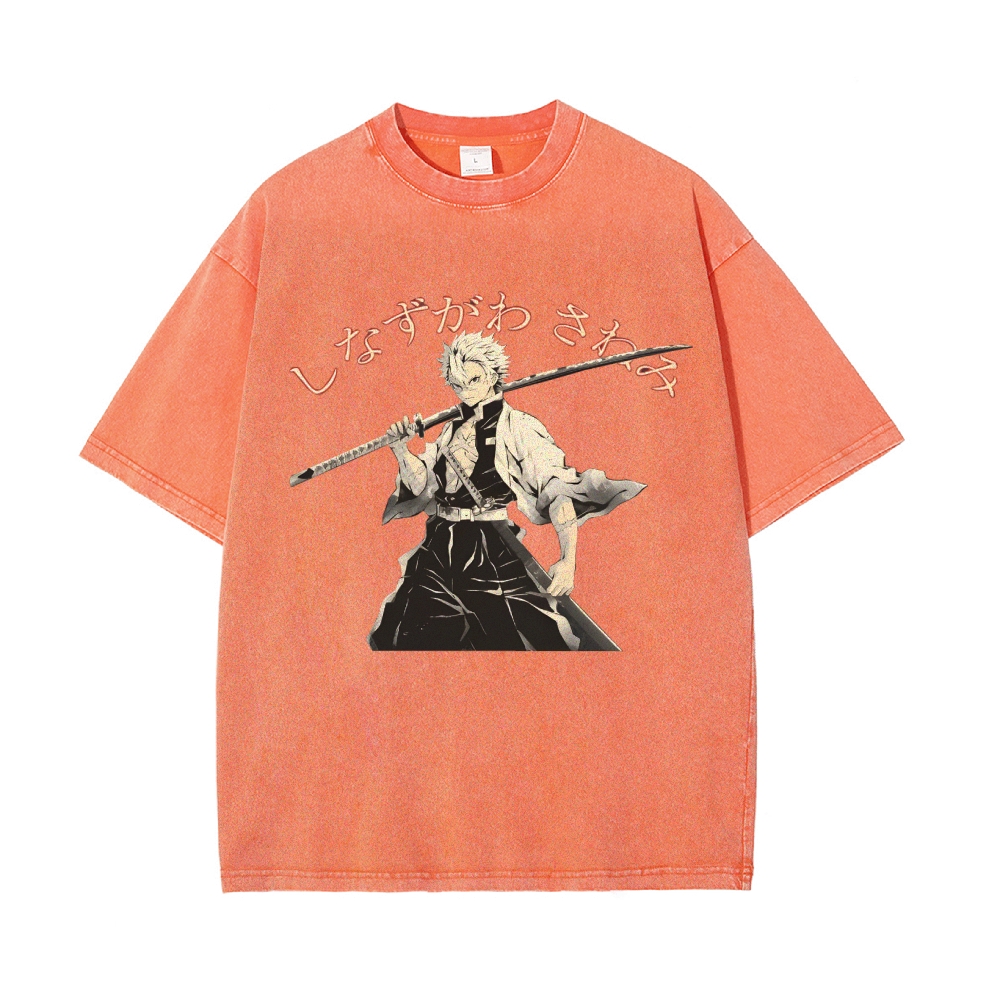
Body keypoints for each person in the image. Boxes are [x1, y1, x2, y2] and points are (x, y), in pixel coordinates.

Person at [368, 332, 645, 650]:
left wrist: (568, 561)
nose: (466, 392)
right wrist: (401, 450)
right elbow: (422, 485)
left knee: (506, 636)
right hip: (438, 546)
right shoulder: (450, 429)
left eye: (473, 380)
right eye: (457, 385)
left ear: (492, 375)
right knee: (407, 635)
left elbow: (556, 492)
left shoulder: (518, 427)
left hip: (487, 549)